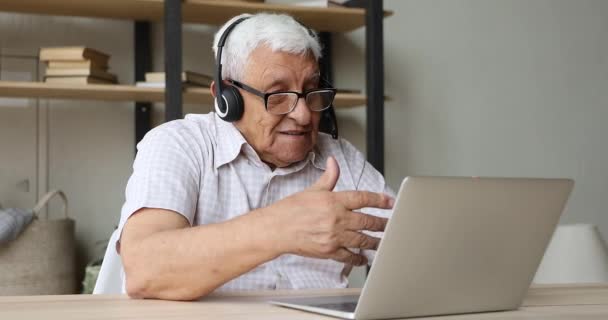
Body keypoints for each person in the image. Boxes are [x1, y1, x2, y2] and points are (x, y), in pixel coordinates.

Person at [117, 13, 394, 301]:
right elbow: (144, 270)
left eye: (311, 92)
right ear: (227, 98)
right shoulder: (179, 144)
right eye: (277, 95)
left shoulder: (340, 157)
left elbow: (412, 251)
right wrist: (281, 227)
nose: (303, 115)